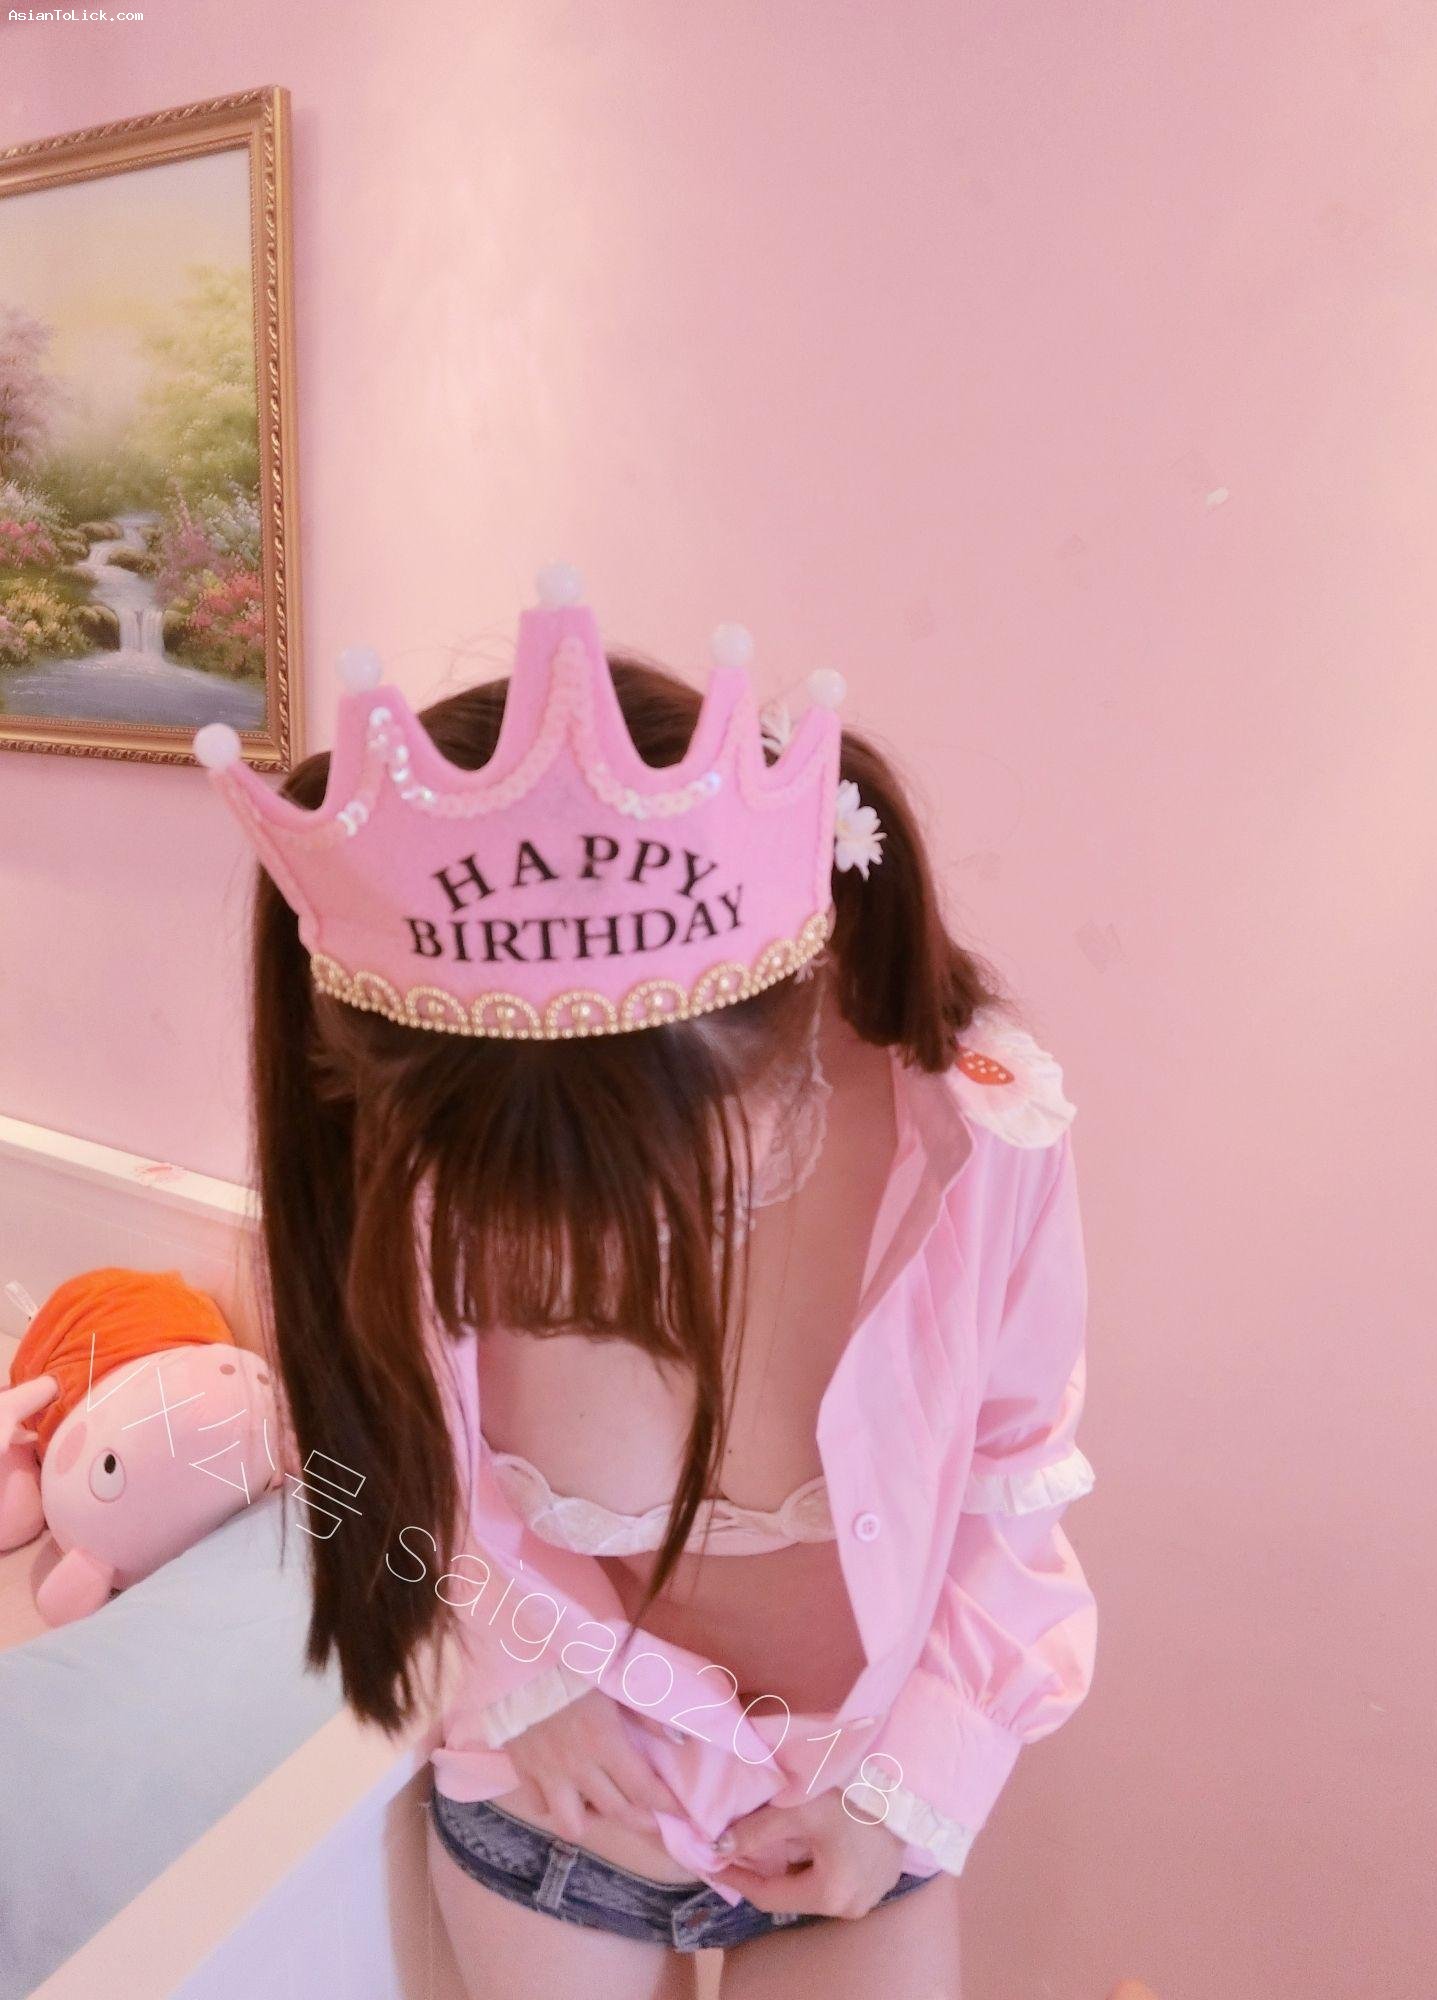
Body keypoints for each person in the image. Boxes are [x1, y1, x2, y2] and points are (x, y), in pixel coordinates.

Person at [194, 567, 1098, 1999]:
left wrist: (915, 1782)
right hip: (559, 1818)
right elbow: (358, 1465)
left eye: (651, 1183)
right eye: (524, 1207)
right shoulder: (424, 1168)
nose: (589, 1254)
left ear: (787, 1026)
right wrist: (518, 1667)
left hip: (862, 1812)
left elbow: (1011, 1475)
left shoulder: (975, 1139)